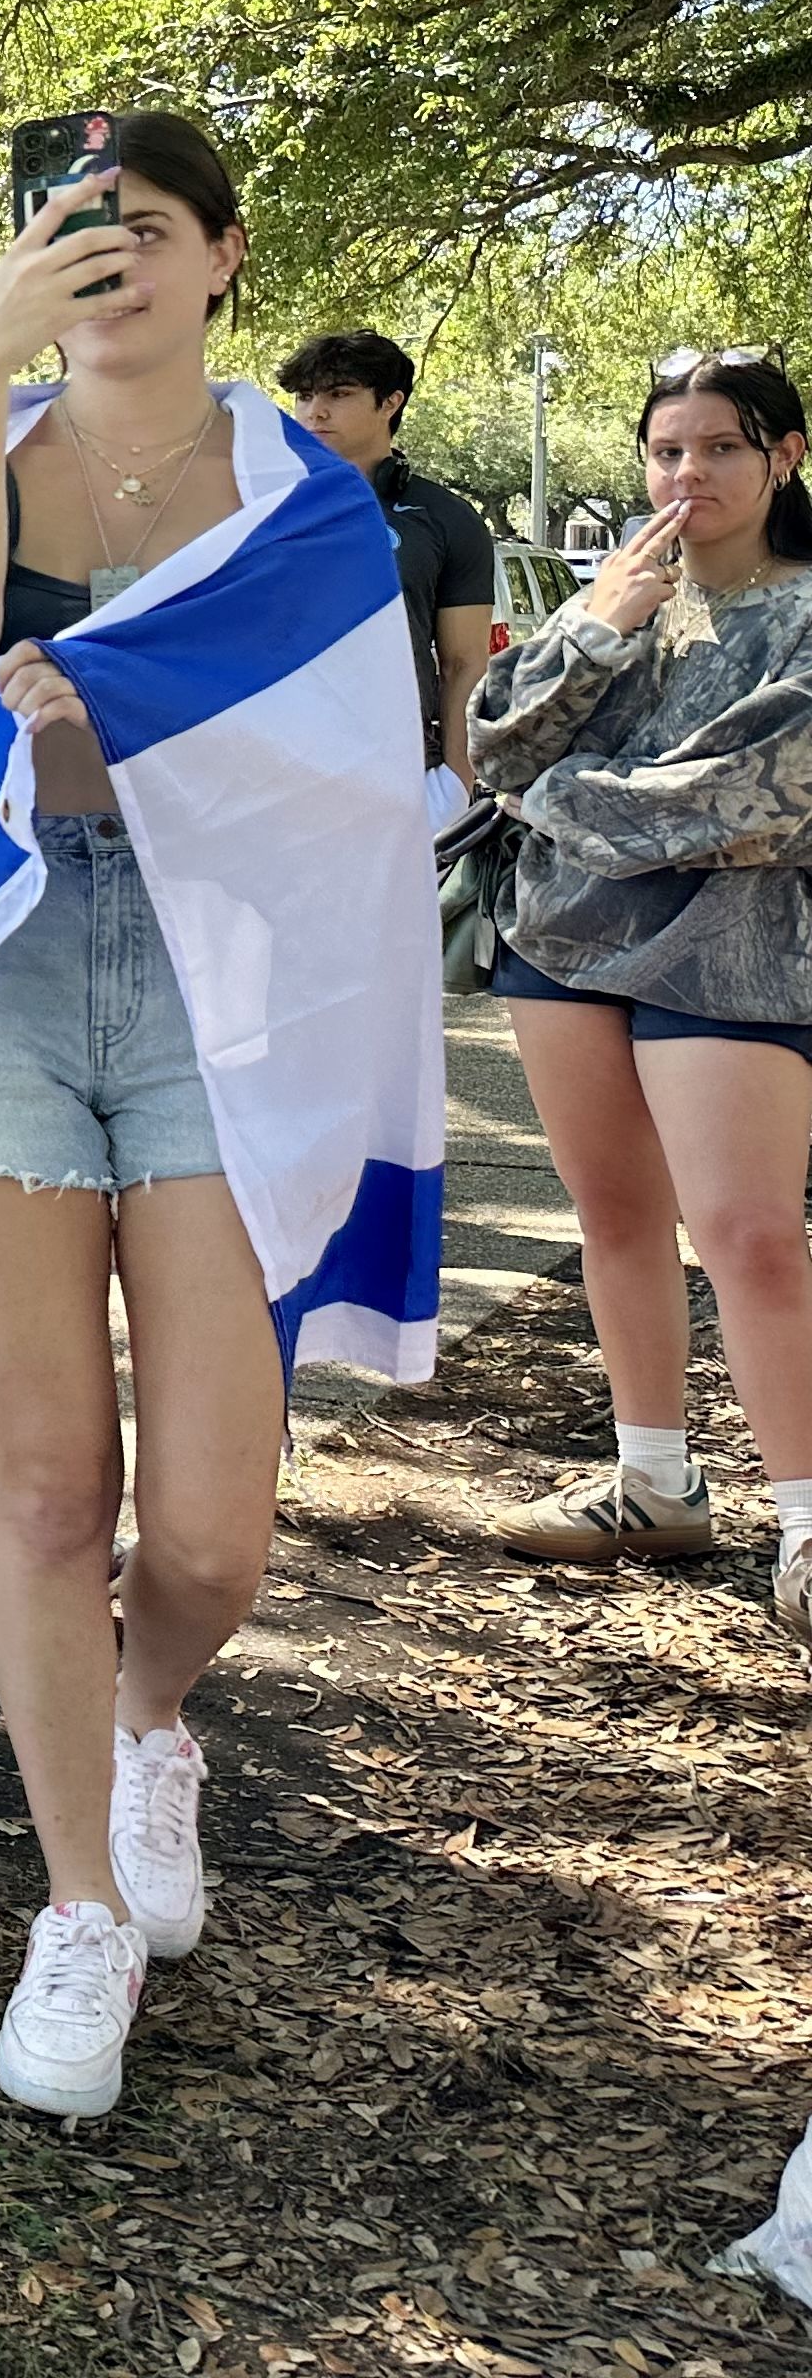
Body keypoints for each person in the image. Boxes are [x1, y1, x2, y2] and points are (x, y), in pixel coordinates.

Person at [0, 112, 439, 2120]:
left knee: (208, 1522)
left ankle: (149, 1723)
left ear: (224, 255)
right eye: (65, 227)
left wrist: (145, 763)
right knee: (45, 1492)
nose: (105, 253)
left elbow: (350, 797)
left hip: (222, 993)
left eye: (141, 226)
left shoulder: (310, 508)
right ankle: (75, 1911)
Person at [470, 351, 812, 1662]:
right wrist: (600, 621)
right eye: (666, 452)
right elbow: (494, 736)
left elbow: (747, 802)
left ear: (784, 454)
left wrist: (551, 796)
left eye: (719, 448)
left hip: (742, 953)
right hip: (563, 945)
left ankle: (803, 1527)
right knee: (614, 1217)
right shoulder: (622, 590)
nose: (687, 476)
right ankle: (654, 1481)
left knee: (749, 1233)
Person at [277, 330, 496, 820]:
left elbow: (464, 661)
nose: (315, 411)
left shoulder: (445, 518)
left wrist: (456, 781)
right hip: (276, 775)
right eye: (305, 396)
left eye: (338, 394)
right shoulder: (259, 505)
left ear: (390, 402)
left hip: (401, 779)